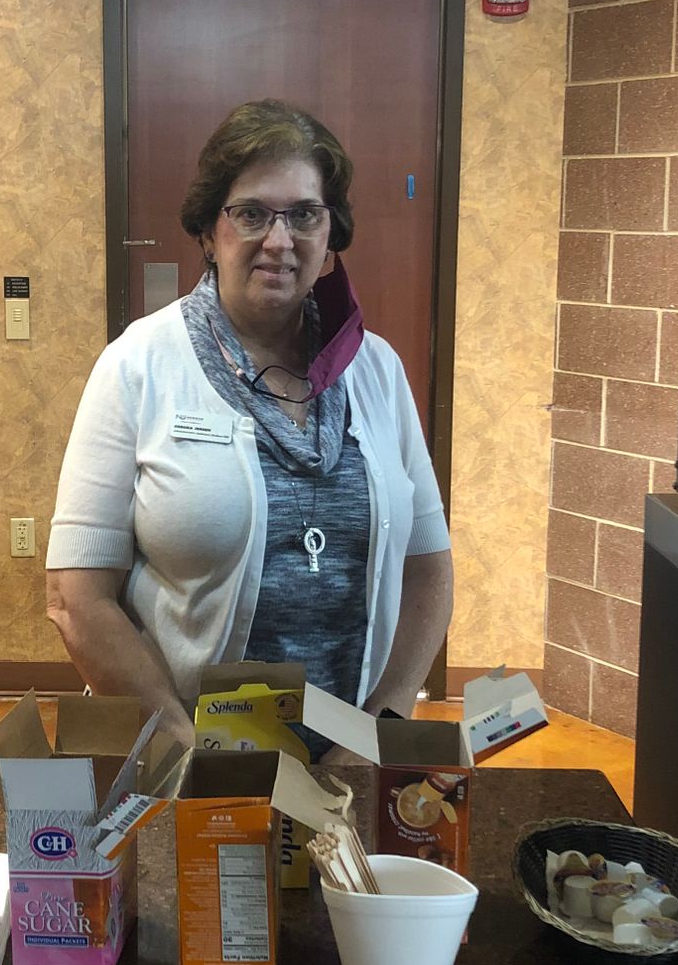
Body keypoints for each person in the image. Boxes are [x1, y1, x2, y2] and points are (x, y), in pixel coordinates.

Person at [45, 99, 453, 759]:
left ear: (329, 241)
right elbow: (75, 597)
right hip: (185, 760)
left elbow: (429, 571)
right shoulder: (138, 365)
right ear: (209, 231)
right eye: (252, 212)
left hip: (350, 763)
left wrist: (382, 729)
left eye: (303, 215)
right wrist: (182, 744)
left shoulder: (376, 370)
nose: (279, 239)